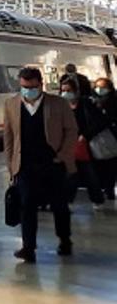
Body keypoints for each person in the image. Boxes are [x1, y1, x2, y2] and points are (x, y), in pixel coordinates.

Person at [3, 66, 76, 264]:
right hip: (25, 165)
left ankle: (65, 240)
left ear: (41, 85)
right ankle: (29, 247)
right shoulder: (11, 105)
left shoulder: (58, 104)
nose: (27, 91)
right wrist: (11, 165)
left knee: (59, 205)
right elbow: (8, 137)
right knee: (27, 206)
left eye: (32, 87)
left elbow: (71, 131)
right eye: (24, 87)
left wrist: (62, 155)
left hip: (53, 164)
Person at [61, 74, 106, 208]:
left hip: (85, 145)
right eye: (63, 90)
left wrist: (85, 136)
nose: (65, 94)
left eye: (68, 90)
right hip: (69, 145)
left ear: (76, 91)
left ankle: (97, 199)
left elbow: (101, 122)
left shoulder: (86, 104)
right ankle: (67, 200)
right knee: (71, 174)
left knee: (89, 174)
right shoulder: (62, 106)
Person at [92, 77, 117, 200]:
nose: (99, 90)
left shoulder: (113, 102)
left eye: (103, 87)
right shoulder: (93, 102)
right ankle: (105, 188)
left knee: (111, 165)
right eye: (97, 87)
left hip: (112, 137)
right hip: (98, 139)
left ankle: (109, 189)